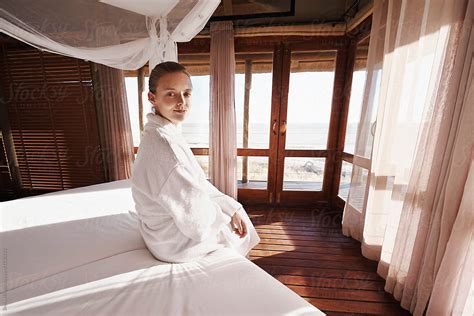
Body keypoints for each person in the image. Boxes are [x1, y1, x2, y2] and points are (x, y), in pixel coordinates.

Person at [131, 61, 261, 263]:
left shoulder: (162, 131)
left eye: (187, 93)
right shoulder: (166, 148)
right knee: (236, 229)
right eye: (170, 94)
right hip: (172, 244)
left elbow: (197, 182)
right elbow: (198, 225)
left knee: (236, 210)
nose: (181, 101)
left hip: (155, 232)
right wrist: (224, 215)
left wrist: (230, 207)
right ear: (152, 98)